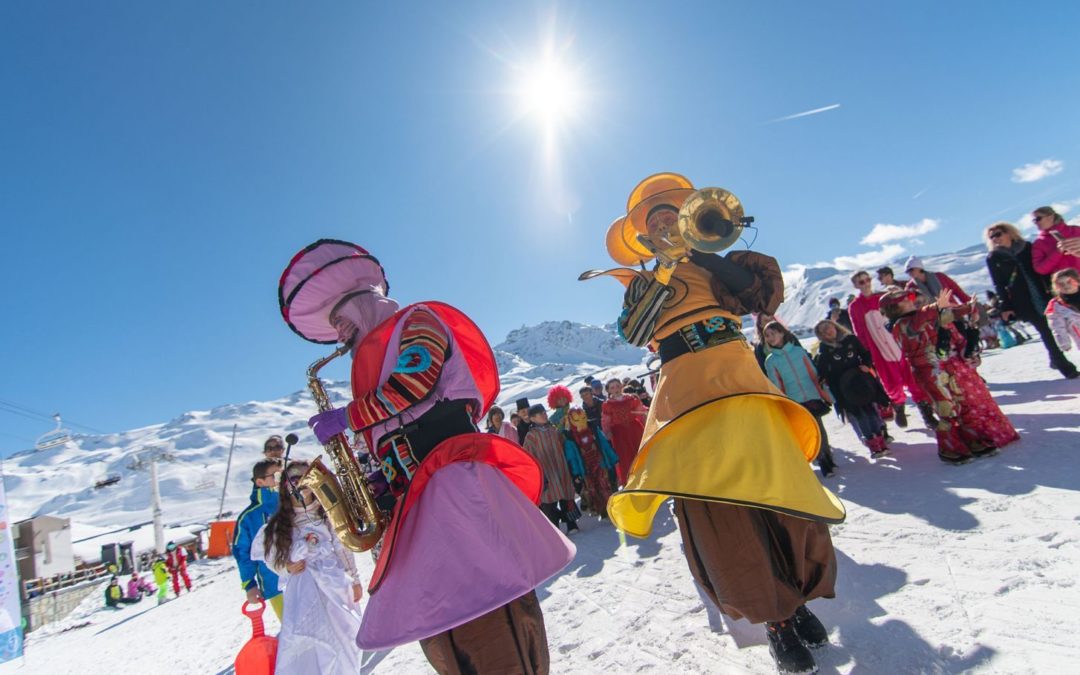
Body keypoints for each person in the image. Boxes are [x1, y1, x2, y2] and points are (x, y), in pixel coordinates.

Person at [592, 174, 844, 675]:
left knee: (778, 489)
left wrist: (704, 253)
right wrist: (662, 272)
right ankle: (775, 623)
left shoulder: (716, 266)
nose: (666, 226)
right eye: (657, 223)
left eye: (672, 218)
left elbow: (758, 298)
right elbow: (635, 331)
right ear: (643, 238)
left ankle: (796, 600)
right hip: (686, 392)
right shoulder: (642, 282)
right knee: (724, 509)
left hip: (739, 377)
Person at [283, 239, 572, 672]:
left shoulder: (418, 321)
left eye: (340, 321)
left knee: (484, 613)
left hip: (451, 478)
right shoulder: (369, 363)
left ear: (363, 304)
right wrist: (378, 481)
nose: (339, 334)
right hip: (416, 495)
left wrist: (348, 417)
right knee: (442, 626)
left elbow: (413, 384)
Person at [252, 460, 367, 675]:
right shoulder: (279, 525)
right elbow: (272, 557)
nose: (300, 487)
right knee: (310, 643)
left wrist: (355, 579)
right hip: (303, 590)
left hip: (334, 583)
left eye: (305, 481)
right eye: (295, 481)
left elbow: (343, 549)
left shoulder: (330, 516)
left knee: (345, 638)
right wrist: (287, 567)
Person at [881, 288, 1019, 464]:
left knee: (961, 404)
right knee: (946, 409)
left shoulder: (922, 317)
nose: (909, 301)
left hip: (944, 365)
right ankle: (949, 448)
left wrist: (967, 308)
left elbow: (947, 316)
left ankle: (973, 440)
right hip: (927, 371)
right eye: (903, 300)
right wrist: (935, 307)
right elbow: (921, 319)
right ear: (894, 308)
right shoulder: (899, 325)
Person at [985, 221, 1079, 379]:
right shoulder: (993, 257)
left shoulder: (1027, 247)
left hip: (1043, 293)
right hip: (1022, 300)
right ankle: (1064, 366)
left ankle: (1055, 358)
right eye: (991, 237)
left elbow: (1042, 268)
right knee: (1045, 331)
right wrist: (1006, 306)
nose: (995, 238)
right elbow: (999, 284)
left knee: (1063, 327)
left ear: (1008, 232)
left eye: (998, 234)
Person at [847, 270, 936, 429]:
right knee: (892, 384)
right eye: (861, 282)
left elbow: (903, 311)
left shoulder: (882, 298)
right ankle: (898, 405)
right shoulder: (855, 306)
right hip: (879, 349)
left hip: (898, 342)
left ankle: (927, 414)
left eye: (867, 279)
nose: (866, 283)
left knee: (913, 380)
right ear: (856, 285)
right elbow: (859, 331)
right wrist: (867, 354)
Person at [762, 322, 837, 477]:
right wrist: (783, 403)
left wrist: (821, 392)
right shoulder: (770, 361)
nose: (770, 338)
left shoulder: (798, 352)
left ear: (782, 333)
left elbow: (812, 372)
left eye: (773, 333)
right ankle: (822, 461)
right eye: (767, 336)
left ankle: (827, 457)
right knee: (809, 431)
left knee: (819, 428)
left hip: (811, 395)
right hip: (795, 400)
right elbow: (777, 384)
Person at [814, 320, 892, 459]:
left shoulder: (850, 339)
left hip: (861, 382)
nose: (827, 331)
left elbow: (865, 354)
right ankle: (873, 446)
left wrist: (866, 365)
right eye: (822, 331)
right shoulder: (824, 350)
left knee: (871, 412)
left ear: (834, 326)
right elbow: (823, 370)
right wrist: (823, 379)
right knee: (859, 416)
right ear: (821, 336)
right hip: (844, 389)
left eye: (828, 327)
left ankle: (881, 441)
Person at [233, 459, 284, 618]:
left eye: (282, 474)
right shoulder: (248, 518)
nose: (281, 479)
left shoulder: (292, 504)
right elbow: (242, 554)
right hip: (275, 585)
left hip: (306, 577)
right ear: (260, 482)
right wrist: (249, 585)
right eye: (276, 476)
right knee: (296, 633)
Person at [523, 403, 581, 534]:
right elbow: (528, 456)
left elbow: (563, 444)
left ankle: (571, 524)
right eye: (540, 413)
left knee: (566, 497)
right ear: (532, 418)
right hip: (546, 472)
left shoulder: (553, 429)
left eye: (544, 412)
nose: (544, 415)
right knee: (549, 502)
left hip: (561, 469)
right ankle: (554, 530)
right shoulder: (531, 436)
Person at [601, 378, 647, 484]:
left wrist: (646, 421)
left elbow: (640, 412)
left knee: (640, 452)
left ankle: (646, 477)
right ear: (608, 390)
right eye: (612, 387)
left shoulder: (631, 399)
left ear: (621, 386)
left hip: (635, 430)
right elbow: (605, 421)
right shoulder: (607, 405)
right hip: (619, 435)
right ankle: (631, 481)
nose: (616, 389)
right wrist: (608, 434)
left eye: (617, 386)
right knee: (625, 458)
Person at [1030, 206, 1080, 277]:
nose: (1036, 223)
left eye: (1038, 219)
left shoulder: (1075, 230)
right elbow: (1040, 269)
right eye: (1034, 221)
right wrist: (1057, 252)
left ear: (1050, 217)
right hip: (1066, 284)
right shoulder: (1039, 243)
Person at [1047, 269, 1080, 353]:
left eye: (1069, 282)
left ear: (1077, 281)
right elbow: (1057, 327)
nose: (1066, 286)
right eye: (1061, 284)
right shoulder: (1056, 305)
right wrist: (1064, 343)